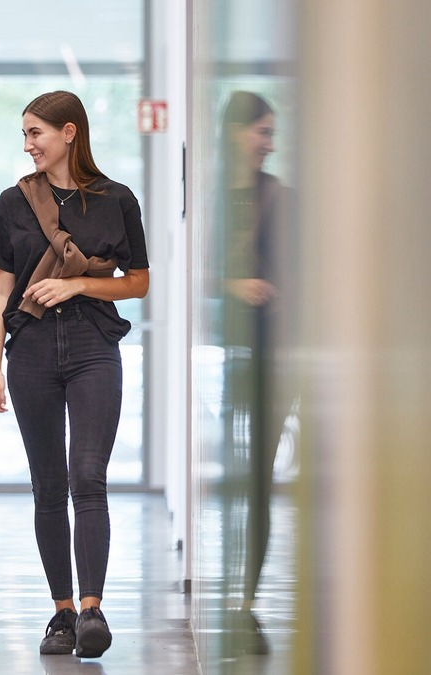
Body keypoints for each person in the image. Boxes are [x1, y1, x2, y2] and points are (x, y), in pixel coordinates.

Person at [0, 90, 149, 659]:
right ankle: (62, 615)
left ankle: (94, 607)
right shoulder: (13, 201)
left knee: (88, 475)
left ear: (69, 132)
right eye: (24, 135)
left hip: (93, 342)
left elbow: (137, 282)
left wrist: (76, 284)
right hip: (29, 352)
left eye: (36, 133)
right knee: (47, 483)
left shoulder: (116, 200)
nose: (28, 145)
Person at [218, 90, 293, 657]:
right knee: (230, 484)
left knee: (259, 485)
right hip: (224, 360)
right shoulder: (214, 198)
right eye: (261, 132)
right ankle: (229, 598)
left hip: (273, 359)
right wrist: (231, 287)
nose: (268, 144)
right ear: (235, 133)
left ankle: (246, 602)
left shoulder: (281, 199)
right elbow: (191, 273)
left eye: (271, 134)